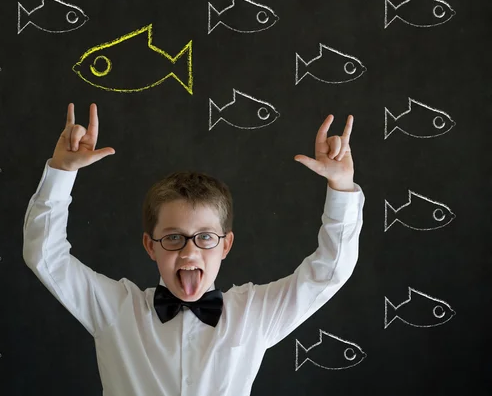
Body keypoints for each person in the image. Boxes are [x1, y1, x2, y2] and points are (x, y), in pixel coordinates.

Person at [23, 102, 364, 396]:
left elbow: (328, 272)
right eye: (173, 238)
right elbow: (45, 257)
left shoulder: (252, 314)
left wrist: (341, 185)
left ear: (226, 245)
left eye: (205, 237)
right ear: (150, 246)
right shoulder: (116, 310)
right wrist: (60, 173)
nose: (189, 253)